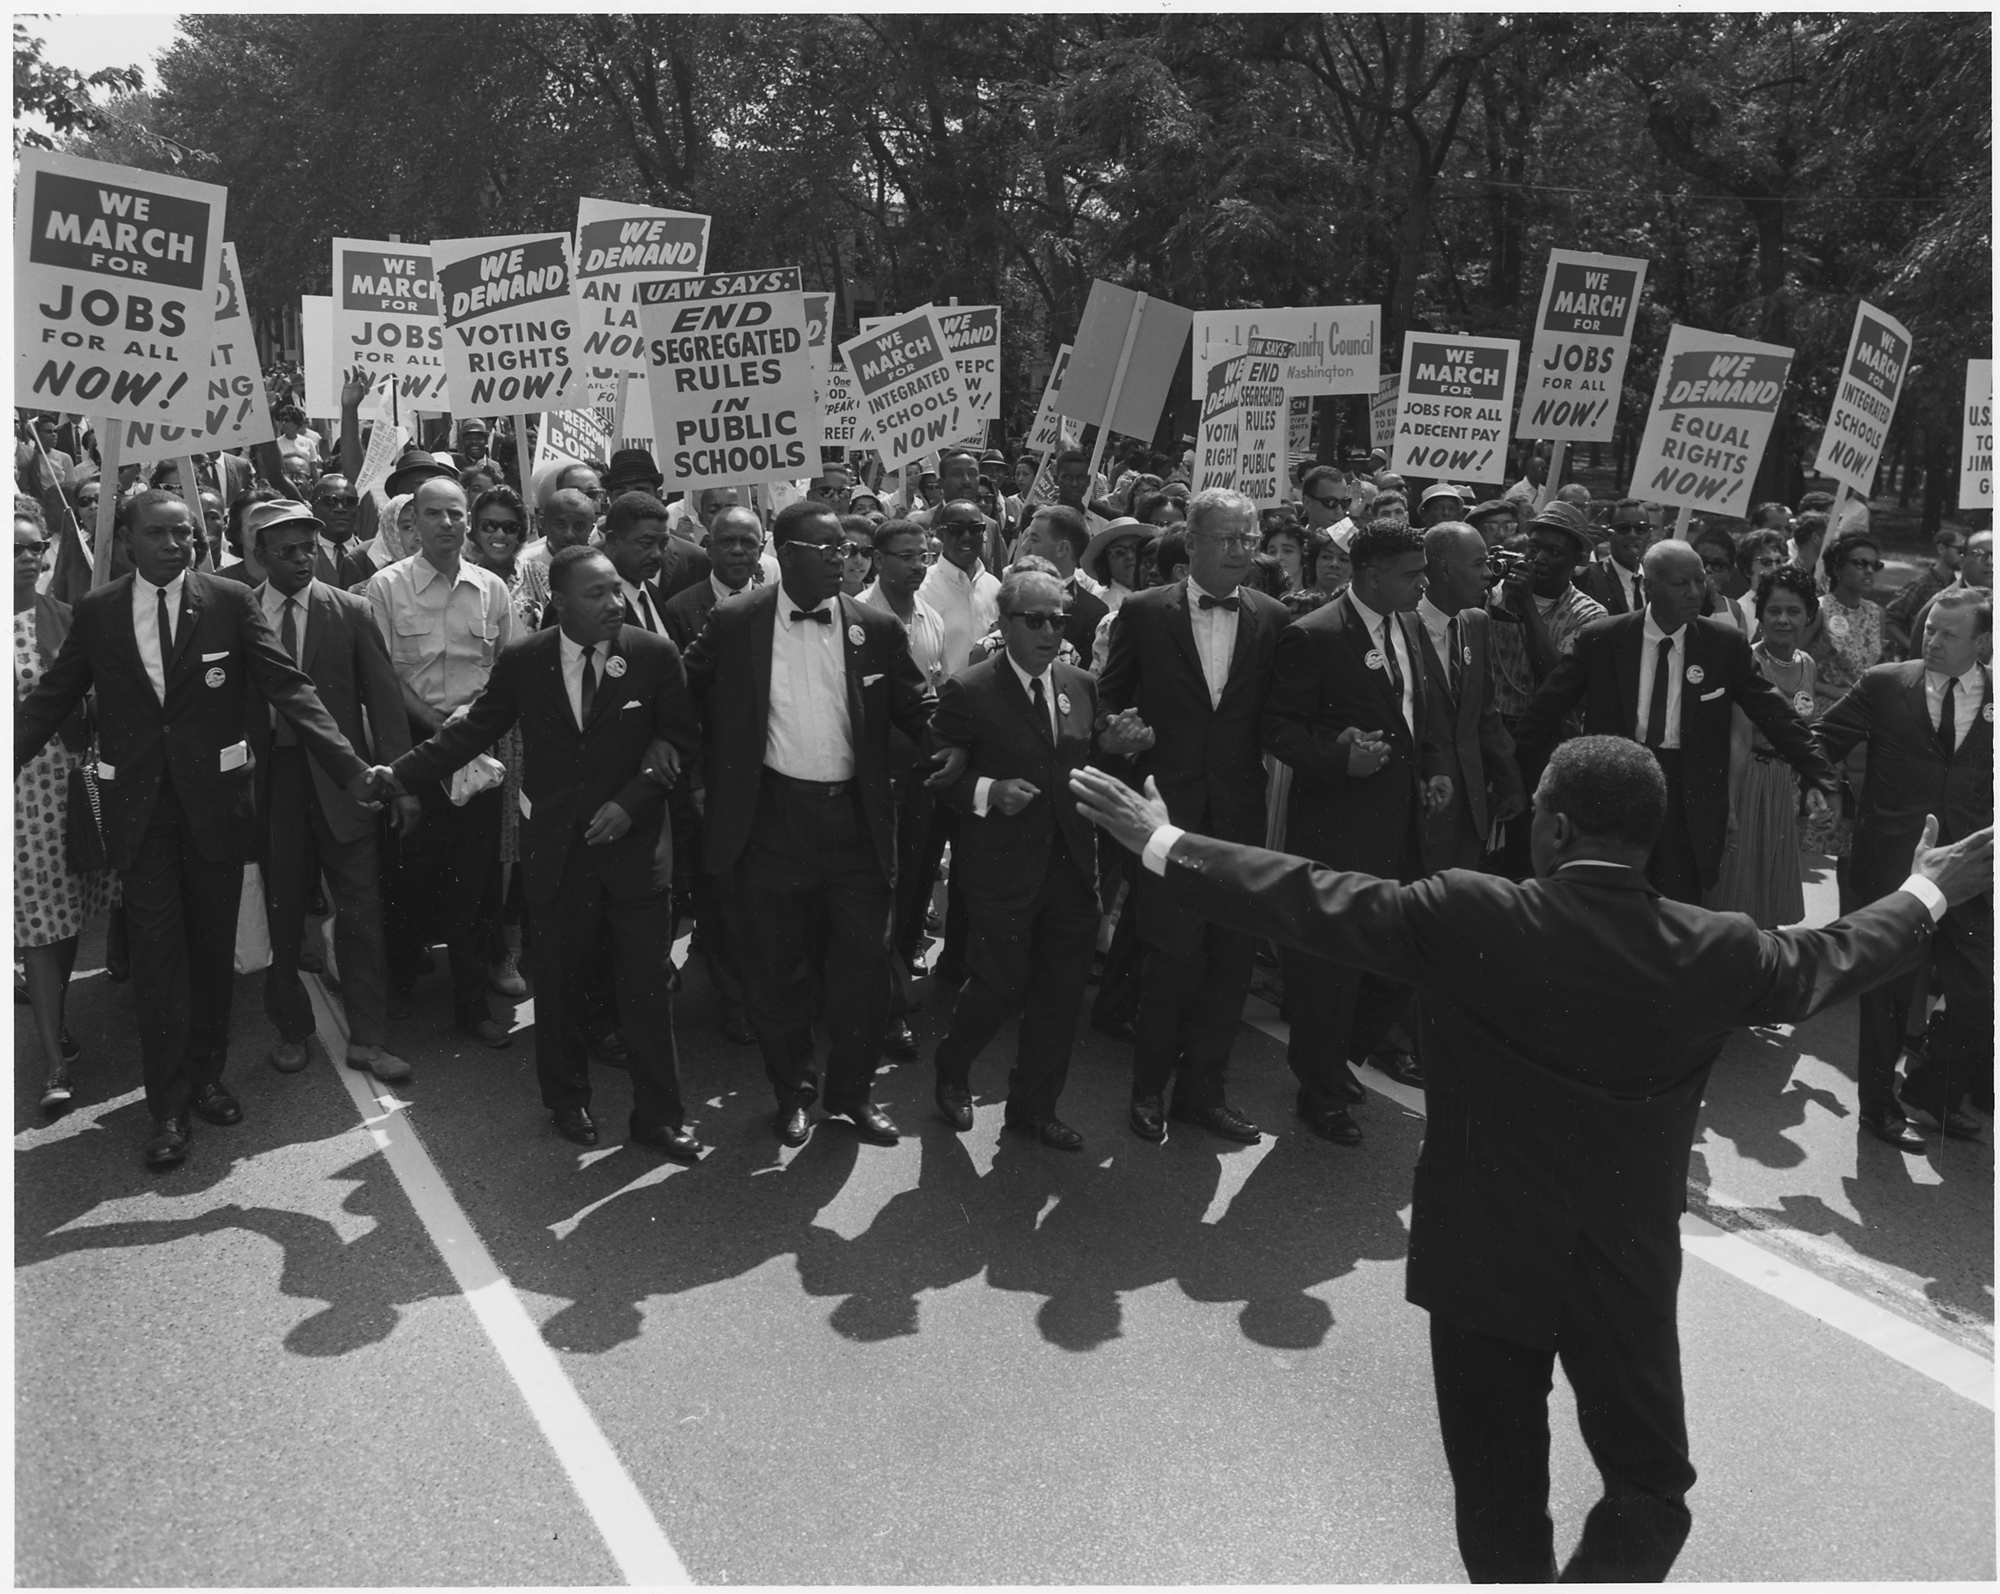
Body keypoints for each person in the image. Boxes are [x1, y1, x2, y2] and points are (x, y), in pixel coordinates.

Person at [1068, 736, 1993, 1584]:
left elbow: (1307, 894)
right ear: (1648, 834)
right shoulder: (1718, 948)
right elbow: (1830, 956)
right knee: (1650, 1492)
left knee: (1500, 1502)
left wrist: (1161, 841)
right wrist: (1930, 891)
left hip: (1480, 1254)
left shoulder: (1470, 912)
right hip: (1622, 1266)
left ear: (1551, 826)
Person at [15, 490, 375, 1169]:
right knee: (158, 959)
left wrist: (351, 766)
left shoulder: (229, 602)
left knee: (213, 951)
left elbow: (289, 688)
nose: (176, 544)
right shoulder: (98, 613)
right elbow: (50, 701)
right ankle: (168, 1108)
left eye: (186, 533)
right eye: (159, 533)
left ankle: (208, 1076)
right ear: (125, 541)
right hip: (140, 814)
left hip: (215, 810)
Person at [370, 545, 704, 1155]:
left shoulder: (654, 655)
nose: (613, 603)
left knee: (646, 988)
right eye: (596, 593)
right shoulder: (525, 660)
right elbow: (472, 730)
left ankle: (658, 1115)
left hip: (634, 854)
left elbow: (680, 737)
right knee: (558, 984)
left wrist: (631, 802)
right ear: (559, 602)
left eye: (616, 591)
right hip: (557, 852)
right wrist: (399, 775)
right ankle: (567, 1100)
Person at [680, 498, 948, 1148]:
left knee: (861, 972)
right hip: (771, 823)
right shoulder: (736, 619)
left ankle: (851, 1096)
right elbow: (682, 695)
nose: (843, 560)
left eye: (847, 551)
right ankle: (792, 1091)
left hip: (855, 825)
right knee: (777, 974)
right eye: (828, 550)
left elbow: (920, 705)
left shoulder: (875, 628)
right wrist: (689, 769)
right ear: (787, 554)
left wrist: (961, 743)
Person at [1097, 486, 1289, 1145]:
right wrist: (1117, 733)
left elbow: (1279, 719)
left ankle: (1204, 1093)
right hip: (1166, 813)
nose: (1243, 551)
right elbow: (1110, 699)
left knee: (1230, 959)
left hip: (1237, 814)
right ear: (1195, 542)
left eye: (1252, 539)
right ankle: (1148, 1090)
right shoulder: (1147, 614)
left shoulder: (1272, 616)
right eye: (1230, 539)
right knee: (1171, 956)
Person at [928, 568, 1145, 1149]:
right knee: (998, 985)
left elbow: (1086, 762)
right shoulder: (969, 689)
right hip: (1001, 868)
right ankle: (952, 1069)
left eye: (1059, 619)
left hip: (1072, 866)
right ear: (1005, 623)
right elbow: (935, 777)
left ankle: (1034, 1107)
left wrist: (1117, 750)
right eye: (1036, 620)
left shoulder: (1080, 683)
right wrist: (987, 791)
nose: (1050, 631)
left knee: (1060, 994)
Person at [1261, 520, 1453, 1143]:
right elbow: (1280, 730)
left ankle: (1340, 1058)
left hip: (1403, 827)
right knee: (1331, 969)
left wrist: (1432, 770)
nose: (1422, 583)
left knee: (1404, 957)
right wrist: (1338, 756)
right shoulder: (1313, 637)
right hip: (1338, 831)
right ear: (1372, 574)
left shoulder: (1412, 626)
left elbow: (1418, 715)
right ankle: (1320, 1090)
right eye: (1411, 573)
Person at [1515, 540, 1836, 903]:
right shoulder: (1603, 639)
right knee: (1606, 910)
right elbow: (1545, 710)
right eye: (1681, 583)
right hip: (1615, 793)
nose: (1695, 592)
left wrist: (1819, 775)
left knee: (1674, 914)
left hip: (1688, 802)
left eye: (1700, 582)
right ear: (1649, 586)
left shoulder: (1723, 645)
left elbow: (1774, 713)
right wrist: (1509, 773)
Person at [242, 500, 418, 1084]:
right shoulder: (236, 612)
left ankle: (369, 1037)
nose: (300, 559)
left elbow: (385, 703)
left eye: (307, 548)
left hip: (347, 785)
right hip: (273, 783)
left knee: (361, 912)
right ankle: (292, 1028)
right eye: (286, 550)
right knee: (282, 912)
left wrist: (401, 782)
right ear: (258, 553)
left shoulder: (350, 609)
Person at [1815, 589, 1994, 1149]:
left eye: (1948, 634)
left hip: (1969, 875)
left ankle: (1931, 1090)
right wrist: (1826, 788)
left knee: (1979, 995)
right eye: (1929, 629)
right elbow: (1822, 738)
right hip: (1893, 869)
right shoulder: (1887, 683)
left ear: (1983, 644)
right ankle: (1879, 1110)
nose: (1931, 641)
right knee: (1888, 998)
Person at [366, 475, 518, 1047]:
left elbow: (506, 671)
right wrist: (440, 731)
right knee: (410, 876)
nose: (448, 525)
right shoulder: (386, 588)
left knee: (475, 886)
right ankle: (400, 984)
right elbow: (383, 679)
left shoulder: (492, 589)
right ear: (414, 522)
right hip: (416, 754)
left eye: (457, 514)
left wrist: (473, 729)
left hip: (480, 756)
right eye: (435, 514)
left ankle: (471, 1005)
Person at [14, 499, 110, 1111]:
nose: (27, 558)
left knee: (66, 918)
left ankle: (58, 1016)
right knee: (39, 928)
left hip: (69, 787)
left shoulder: (67, 618)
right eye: (13, 548)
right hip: (17, 799)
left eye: (34, 547)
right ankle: (53, 1064)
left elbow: (95, 698)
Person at [1704, 567, 1819, 928]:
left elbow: (1806, 733)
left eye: (1794, 612)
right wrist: (1731, 807)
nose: (1783, 620)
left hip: (1782, 786)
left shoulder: (1808, 665)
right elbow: (1738, 739)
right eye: (1774, 611)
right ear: (1760, 614)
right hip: (1747, 779)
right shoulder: (1748, 662)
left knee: (1768, 896)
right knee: (1736, 891)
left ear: (1809, 616)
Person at [1418, 520, 1527, 873]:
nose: (1489, 575)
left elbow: (1485, 712)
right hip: (1420, 803)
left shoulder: (1476, 622)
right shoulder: (1400, 625)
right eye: (1479, 564)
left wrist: (1509, 781)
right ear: (1446, 570)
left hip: (1469, 806)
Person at [1805, 531, 1888, 898]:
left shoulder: (1875, 613)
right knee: (1826, 829)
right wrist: (1829, 690)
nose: (1869, 571)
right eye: (1860, 563)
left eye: (1875, 565)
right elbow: (1794, 662)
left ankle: (1848, 917)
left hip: (1866, 733)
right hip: (1828, 726)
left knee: (1855, 837)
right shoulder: (1820, 608)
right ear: (1837, 567)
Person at [1883, 528, 1967, 659]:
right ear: (1941, 549)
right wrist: (1912, 646)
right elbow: (1888, 620)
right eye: (1960, 550)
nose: (1963, 556)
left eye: (1966, 552)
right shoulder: (1921, 584)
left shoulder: (1958, 586)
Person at [1575, 499, 1652, 615]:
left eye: (1640, 528)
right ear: (1609, 532)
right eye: (1623, 528)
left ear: (1649, 534)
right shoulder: (1590, 577)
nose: (1632, 535)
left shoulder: (1657, 581)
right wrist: (1583, 551)